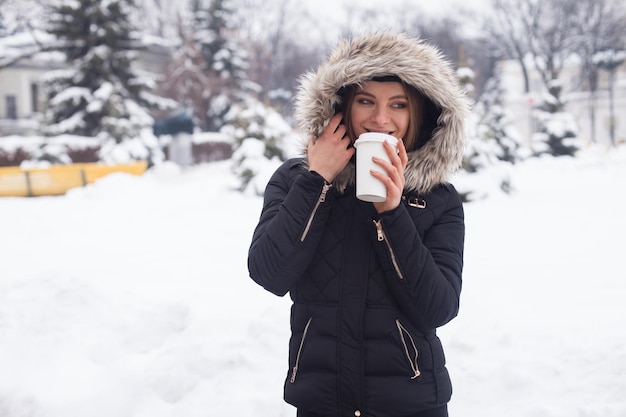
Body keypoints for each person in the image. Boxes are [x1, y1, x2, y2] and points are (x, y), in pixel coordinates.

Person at [247, 31, 470, 417]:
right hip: (321, 404)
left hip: (411, 405)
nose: (381, 119)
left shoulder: (438, 199)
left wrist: (393, 211)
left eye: (398, 105)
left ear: (418, 115)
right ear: (341, 108)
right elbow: (269, 273)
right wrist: (317, 180)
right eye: (366, 100)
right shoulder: (297, 179)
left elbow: (438, 308)